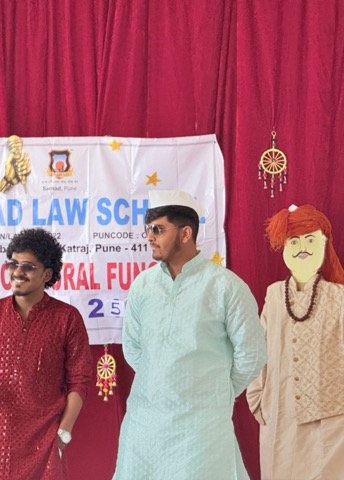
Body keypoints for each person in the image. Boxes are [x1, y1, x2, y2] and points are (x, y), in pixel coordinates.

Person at [113, 190, 267, 479]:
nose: (150, 237)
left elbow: (253, 353)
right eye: (148, 230)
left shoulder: (225, 286)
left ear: (186, 233)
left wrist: (216, 391)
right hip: (145, 424)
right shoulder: (142, 286)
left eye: (158, 229)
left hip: (201, 429)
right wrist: (162, 381)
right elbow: (132, 347)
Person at [0, 228, 92, 479]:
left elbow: (79, 381)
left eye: (28, 267)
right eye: (13, 264)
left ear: (47, 274)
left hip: (45, 438)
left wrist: (63, 433)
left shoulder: (66, 318)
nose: (17, 272)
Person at [246, 204, 344, 479]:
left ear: (324, 244)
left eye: (310, 240)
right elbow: (258, 349)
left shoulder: (339, 297)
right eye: (294, 241)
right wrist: (257, 397)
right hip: (281, 412)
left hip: (331, 421)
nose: (303, 248)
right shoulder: (275, 295)